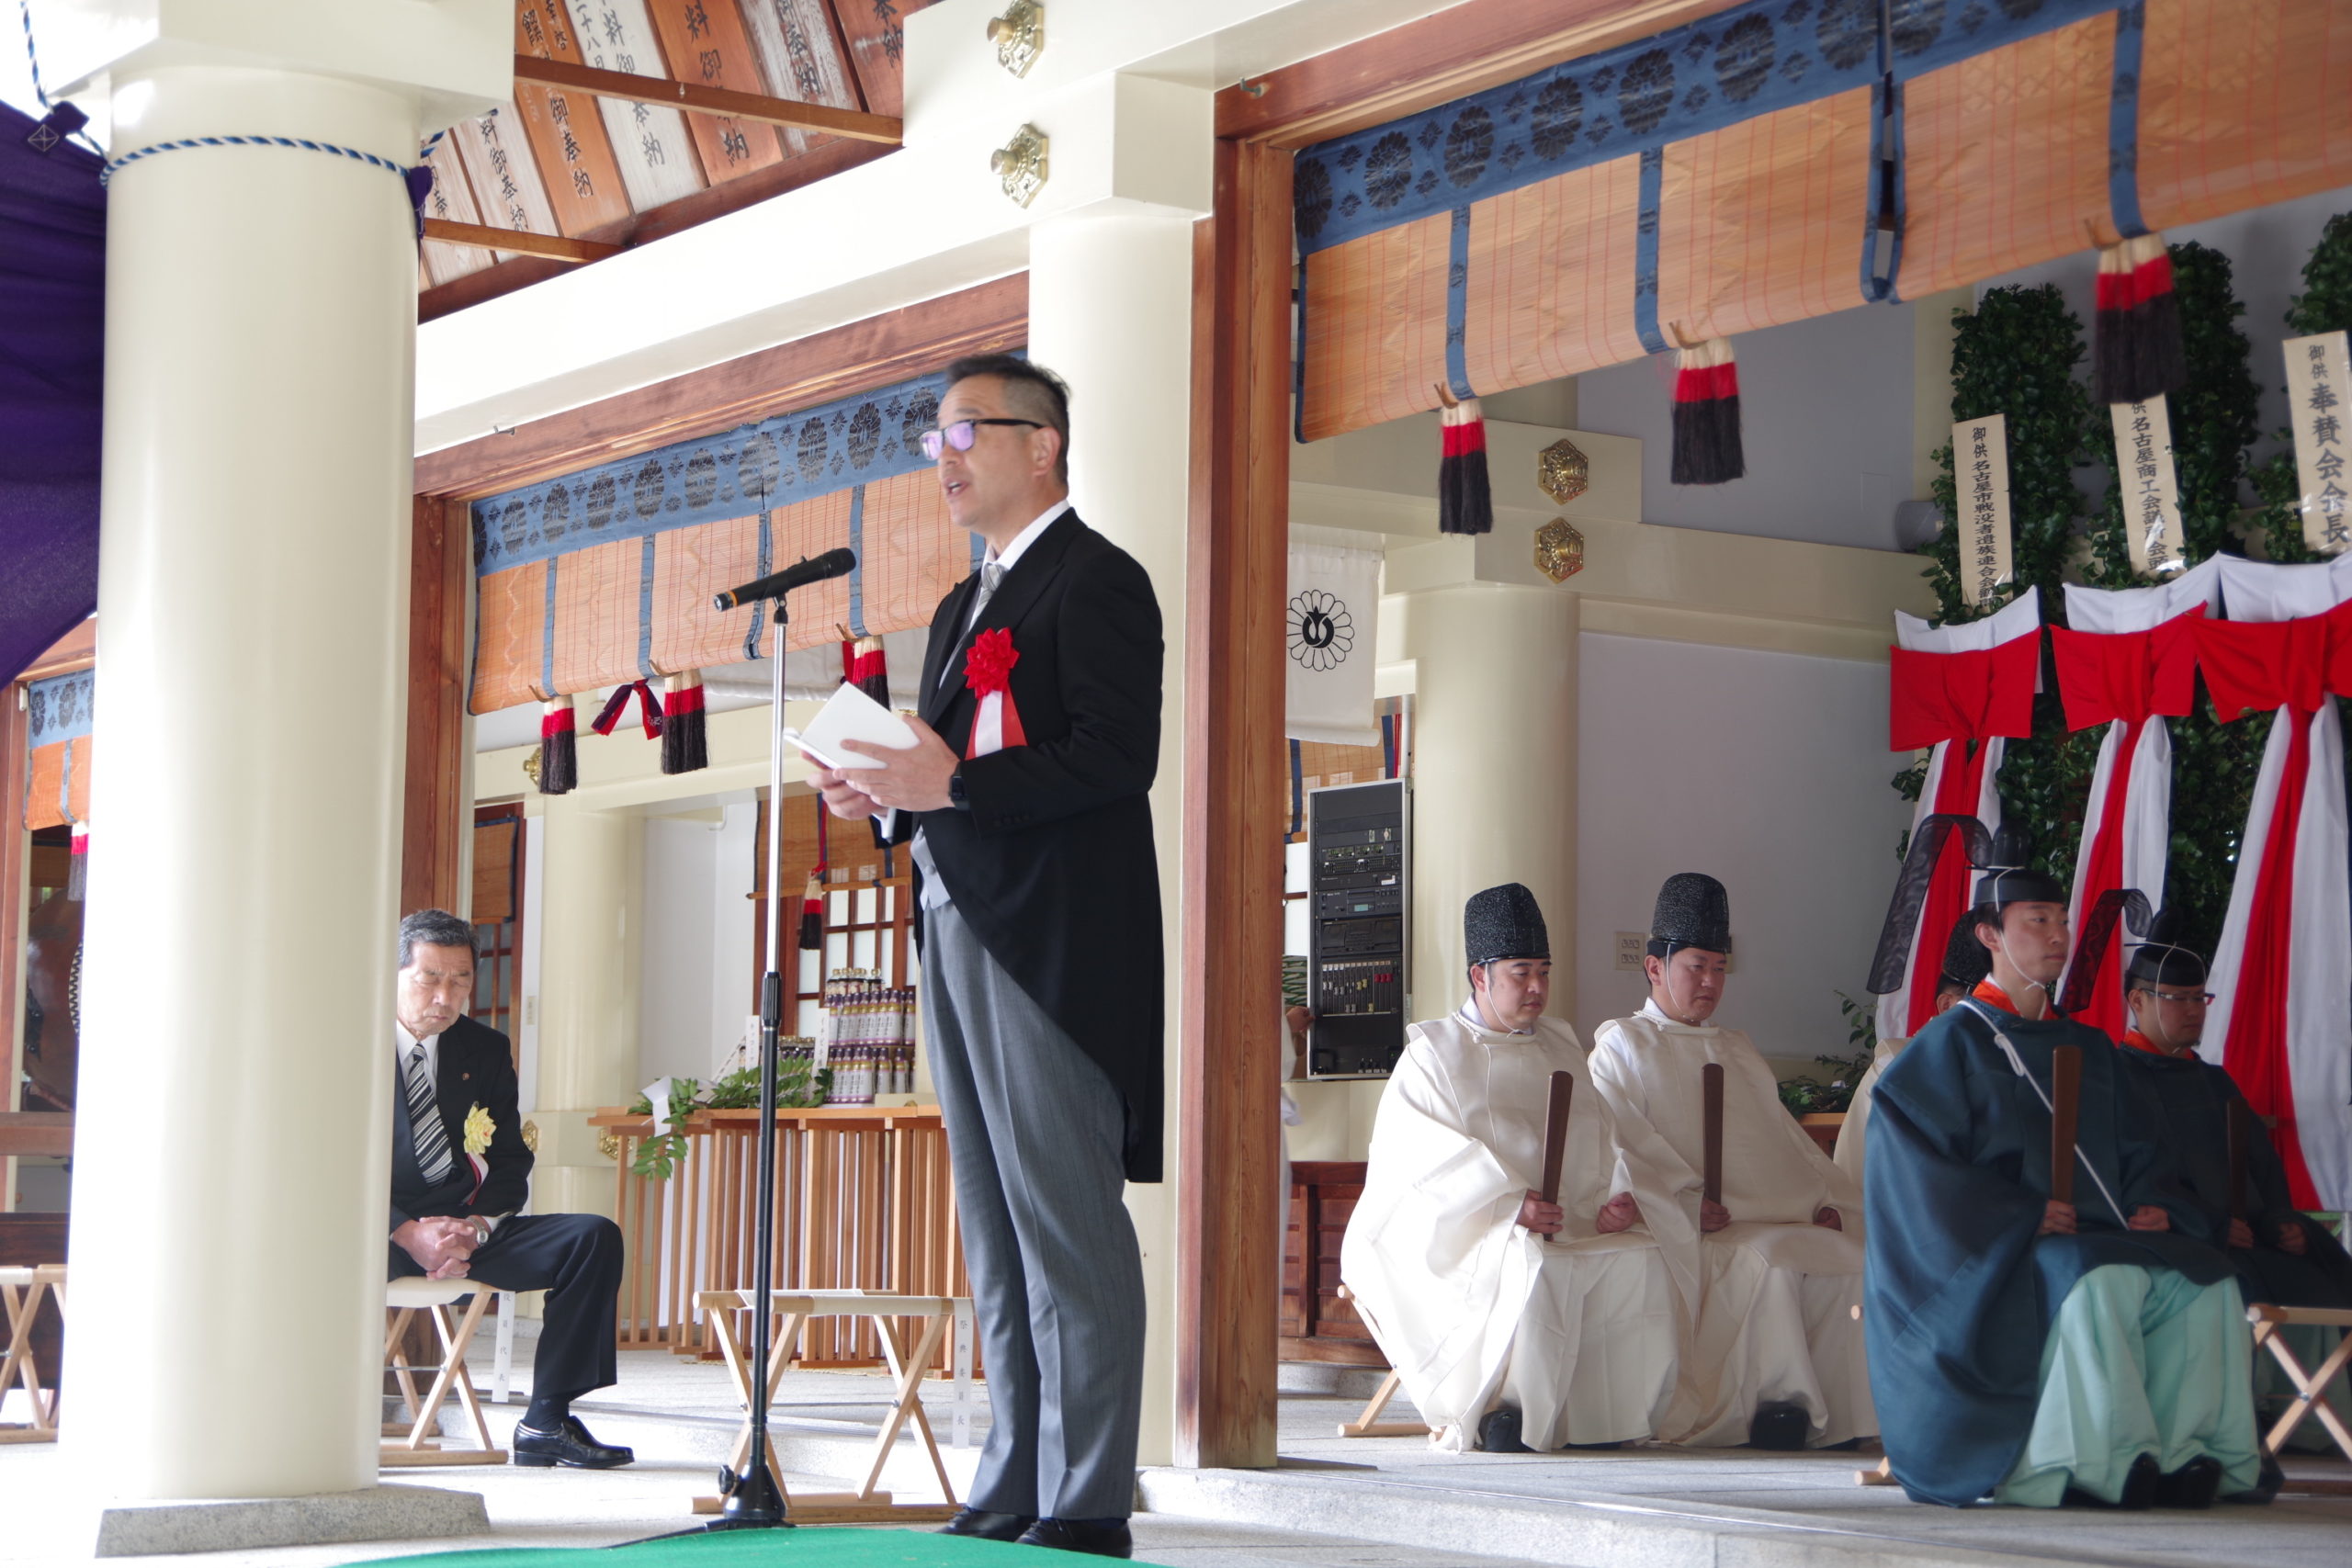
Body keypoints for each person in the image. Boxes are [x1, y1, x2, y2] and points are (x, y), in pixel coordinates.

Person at [810, 355, 1159, 1561]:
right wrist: (884, 794)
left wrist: (949, 782)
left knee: (1064, 1214)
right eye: (935, 438)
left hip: (1053, 934)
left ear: (1041, 442)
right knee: (994, 1221)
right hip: (956, 912)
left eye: (963, 432)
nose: (943, 458)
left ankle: (1089, 1493)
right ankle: (1016, 1469)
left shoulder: (1098, 578)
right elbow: (944, 774)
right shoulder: (964, 602)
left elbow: (1116, 755)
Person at [1863, 835, 2261, 1508]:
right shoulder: (1947, 1045)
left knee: (2207, 1278)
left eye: (2063, 919)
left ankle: (2192, 1454)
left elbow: (2144, 1148)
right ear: (1990, 934)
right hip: (1993, 1253)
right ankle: (2094, 1462)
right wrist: (2022, 1215)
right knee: (2097, 1276)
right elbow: (1913, 1177)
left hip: (2102, 1233)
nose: (2058, 935)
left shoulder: (2091, 1046)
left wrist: (2157, 1204)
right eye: (2038, 920)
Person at [1342, 886, 1677, 1454]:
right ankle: (1509, 1409)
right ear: (1480, 975)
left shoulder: (1560, 1045)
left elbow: (1604, 1133)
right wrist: (1507, 1206)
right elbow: (1417, 1163)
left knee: (1640, 1254)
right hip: (1463, 1232)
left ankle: (1602, 1417)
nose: (1537, 988)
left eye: (1544, 972)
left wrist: (1615, 1197)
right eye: (1521, 974)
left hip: (1566, 1219)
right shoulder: (1433, 1053)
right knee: (1528, 1257)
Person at [1588, 874, 1873, 1450]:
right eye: (1697, 966)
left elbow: (1782, 1137)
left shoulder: (1735, 1046)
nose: (1711, 982)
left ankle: (1846, 1415)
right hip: (1697, 1227)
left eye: (1720, 968)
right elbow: (1620, 1141)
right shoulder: (1623, 1043)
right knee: (1769, 1261)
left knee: (1850, 1256)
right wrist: (1683, 1204)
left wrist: (1824, 1199)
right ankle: (1778, 1405)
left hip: (1770, 1215)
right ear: (1654, 967)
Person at [388, 909, 629, 1469]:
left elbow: (509, 1159)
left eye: (461, 981)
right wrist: (404, 1230)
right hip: (374, 1229)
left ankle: (546, 1420)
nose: (445, 996)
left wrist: (475, 1228)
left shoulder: (485, 1049)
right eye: (429, 978)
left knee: (591, 1238)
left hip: (463, 1227)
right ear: (394, 974)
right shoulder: (343, 1042)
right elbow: (325, 1162)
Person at [2113, 916, 2352, 1450]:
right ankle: (2242, 1425)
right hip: (2183, 1242)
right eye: (2178, 998)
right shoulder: (2115, 1078)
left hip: (2246, 1238)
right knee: (2233, 1288)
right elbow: (2130, 1177)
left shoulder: (2214, 1080)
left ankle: (2314, 1430)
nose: (2194, 1010)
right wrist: (2208, 1225)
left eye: (2200, 998)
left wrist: (2281, 1220)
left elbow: (2260, 1166)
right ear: (2138, 1001)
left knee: (2314, 1280)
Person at [1835, 914, 1988, 1181]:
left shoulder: (2024, 1064)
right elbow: (1868, 1181)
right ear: (1947, 1005)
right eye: (1993, 1003)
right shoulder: (1896, 1070)